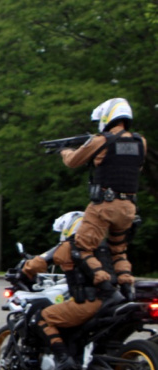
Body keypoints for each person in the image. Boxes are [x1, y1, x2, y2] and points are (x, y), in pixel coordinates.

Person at [19, 211, 123, 370]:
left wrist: (23, 269)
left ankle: (63, 359)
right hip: (114, 299)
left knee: (42, 317)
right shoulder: (103, 246)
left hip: (90, 302)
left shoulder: (70, 245)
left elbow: (41, 262)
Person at [59, 98, 147, 299]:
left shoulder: (101, 140)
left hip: (105, 205)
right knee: (118, 250)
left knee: (81, 247)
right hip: (128, 208)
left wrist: (64, 150)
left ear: (107, 117)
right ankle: (127, 290)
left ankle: (106, 289)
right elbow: (134, 167)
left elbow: (73, 161)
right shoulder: (140, 141)